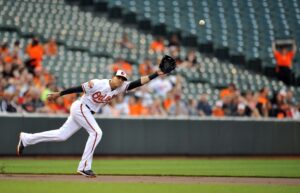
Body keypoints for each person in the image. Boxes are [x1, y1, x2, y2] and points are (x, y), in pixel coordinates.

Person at [16, 68, 167, 178]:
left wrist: (156, 74)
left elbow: (137, 83)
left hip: (86, 111)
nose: (120, 81)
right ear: (113, 76)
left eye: (122, 79)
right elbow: (77, 88)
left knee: (61, 135)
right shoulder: (97, 83)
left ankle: (26, 139)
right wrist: (59, 94)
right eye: (118, 77)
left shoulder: (120, 88)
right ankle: (84, 167)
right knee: (96, 132)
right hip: (81, 107)